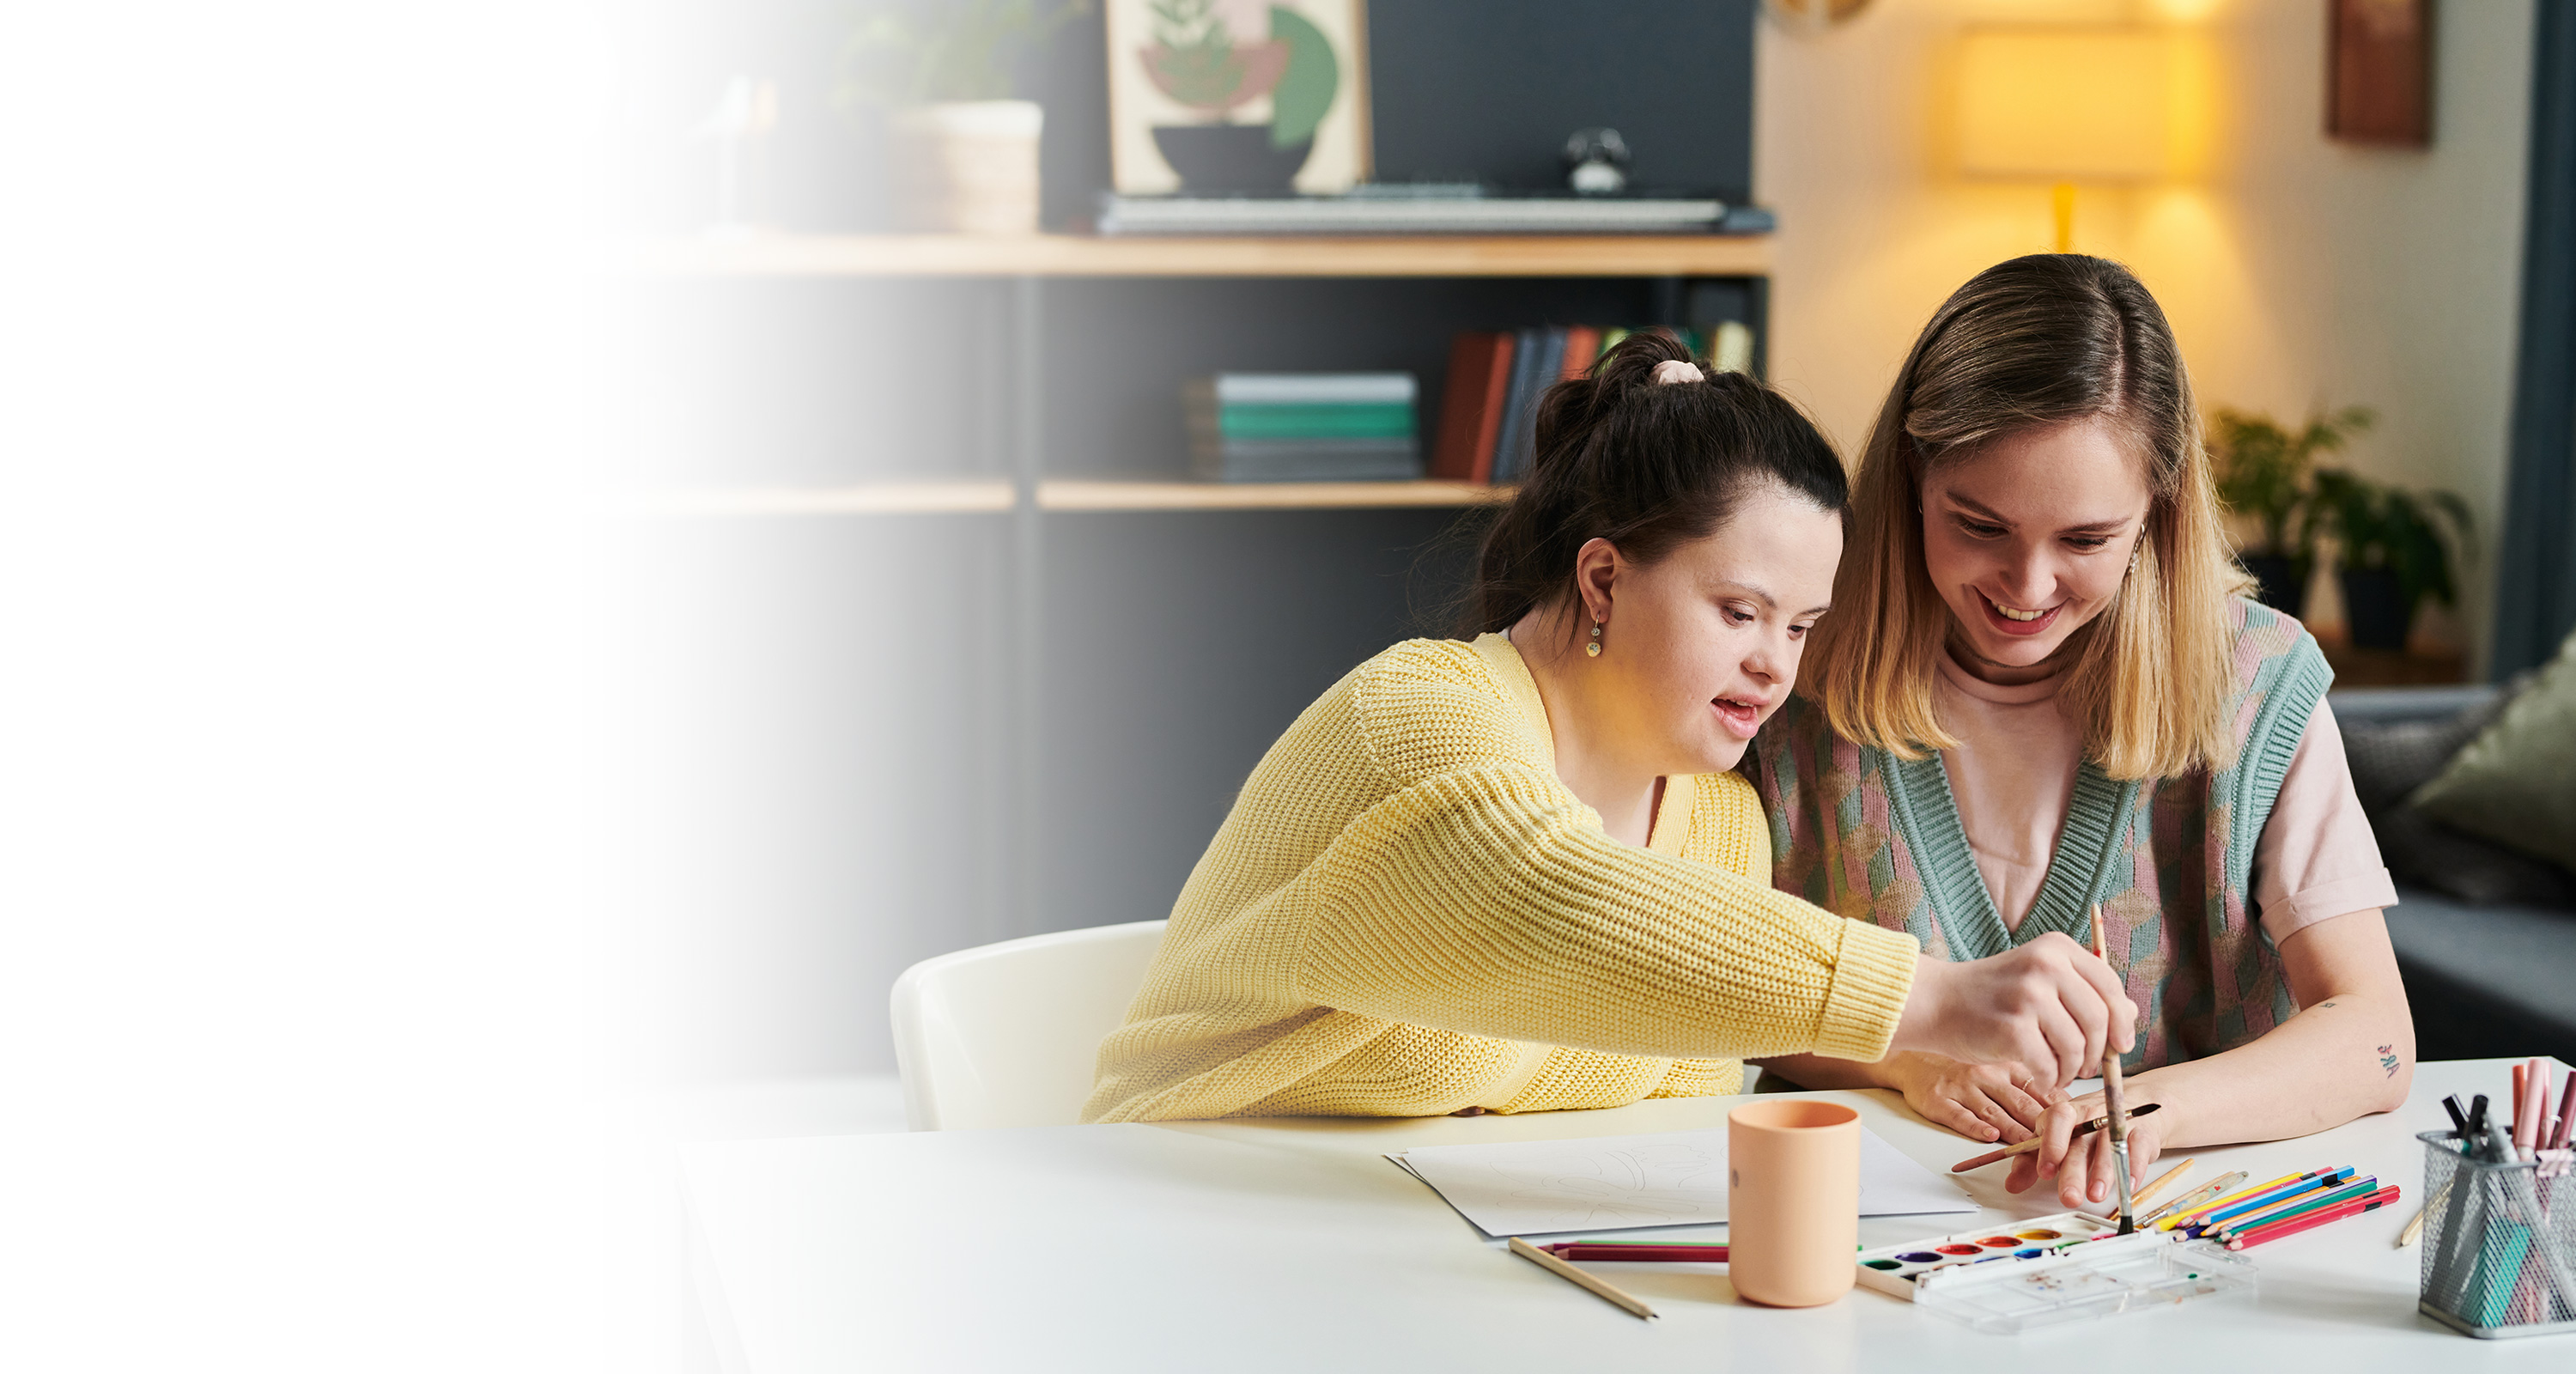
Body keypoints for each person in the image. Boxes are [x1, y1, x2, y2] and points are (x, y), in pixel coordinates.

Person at [1084, 331, 2135, 1125]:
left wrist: (1905, 1062)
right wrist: (1928, 997)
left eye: (1803, 625)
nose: (1777, 663)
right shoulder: (1418, 717)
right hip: (1165, 1230)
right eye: (1739, 612)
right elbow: (1542, 897)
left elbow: (1663, 1123)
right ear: (1602, 576)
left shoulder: (1724, 827)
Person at [1746, 255, 2413, 1208]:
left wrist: (2150, 1112)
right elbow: (1705, 983)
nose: (2026, 588)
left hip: (2175, 1242)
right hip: (1860, 1231)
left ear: (2158, 514)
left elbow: (2377, 1037)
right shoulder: (1790, 666)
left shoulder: (2257, 683)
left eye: (2087, 541)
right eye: (1978, 525)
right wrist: (1902, 1061)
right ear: (1910, 479)